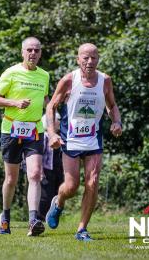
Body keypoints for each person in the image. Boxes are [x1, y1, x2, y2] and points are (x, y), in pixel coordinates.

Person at [45, 43, 122, 241]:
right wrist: (52, 134)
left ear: (98, 59)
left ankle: (81, 229)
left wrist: (116, 121)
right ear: (78, 59)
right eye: (85, 58)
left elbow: (112, 105)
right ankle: (59, 202)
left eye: (93, 58)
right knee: (71, 186)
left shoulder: (105, 81)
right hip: (70, 140)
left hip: (93, 141)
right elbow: (51, 107)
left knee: (93, 182)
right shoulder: (69, 80)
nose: (89, 62)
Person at [0, 37, 49, 236]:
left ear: (41, 53)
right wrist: (15, 103)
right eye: (29, 50)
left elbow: (46, 102)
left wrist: (53, 126)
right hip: (11, 130)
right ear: (22, 52)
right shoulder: (11, 72)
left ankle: (33, 220)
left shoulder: (44, 76)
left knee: (35, 174)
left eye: (37, 50)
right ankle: (5, 216)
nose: (33, 53)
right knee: (11, 179)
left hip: (35, 131)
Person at [38, 113, 64, 221]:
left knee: (56, 195)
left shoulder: (60, 137)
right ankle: (39, 218)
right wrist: (40, 171)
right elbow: (39, 155)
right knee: (45, 197)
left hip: (58, 171)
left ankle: (51, 217)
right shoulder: (44, 137)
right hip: (46, 171)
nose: (60, 121)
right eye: (58, 119)